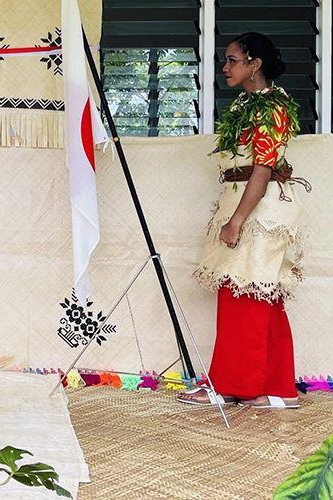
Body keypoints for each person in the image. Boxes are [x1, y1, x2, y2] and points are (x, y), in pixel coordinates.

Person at [179, 32, 308, 409]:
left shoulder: (271, 108)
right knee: (259, 294)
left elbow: (264, 167)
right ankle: (277, 389)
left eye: (233, 59)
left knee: (246, 293)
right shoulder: (244, 105)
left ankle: (233, 385)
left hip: (260, 208)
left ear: (255, 65)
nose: (225, 66)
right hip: (246, 201)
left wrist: (236, 221)